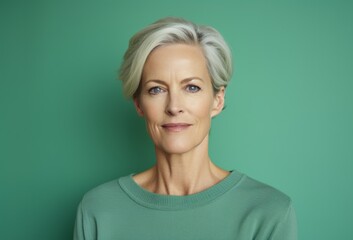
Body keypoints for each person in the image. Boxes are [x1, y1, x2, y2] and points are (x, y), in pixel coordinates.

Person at [73, 17, 297, 240]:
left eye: (191, 87)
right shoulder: (98, 210)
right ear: (139, 104)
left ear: (217, 100)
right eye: (156, 90)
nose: (174, 107)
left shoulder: (269, 212)